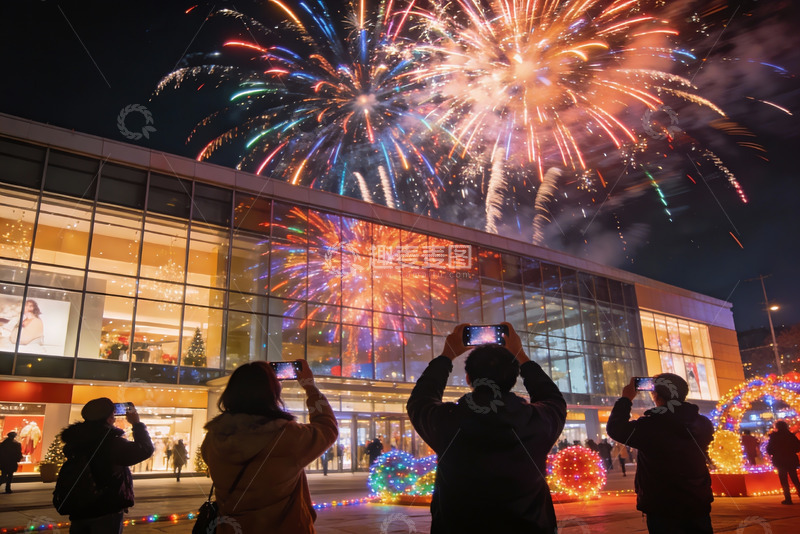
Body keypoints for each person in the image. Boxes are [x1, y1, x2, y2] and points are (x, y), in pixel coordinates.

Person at [407, 323, 566, 533]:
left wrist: (447, 356)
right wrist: (523, 358)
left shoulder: (447, 421)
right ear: (513, 379)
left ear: (468, 379)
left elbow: (420, 400)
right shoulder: (537, 421)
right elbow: (552, 398)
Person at [201, 360, 337, 533]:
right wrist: (311, 388)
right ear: (272, 393)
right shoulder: (287, 436)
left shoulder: (213, 438)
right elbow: (327, 428)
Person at [607, 374, 714, 534]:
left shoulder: (650, 426)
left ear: (656, 395)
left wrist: (626, 399)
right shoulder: (703, 423)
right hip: (698, 499)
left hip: (662, 504)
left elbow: (616, 428)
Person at [60, 397, 154, 533]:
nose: (114, 419)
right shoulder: (111, 443)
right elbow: (145, 449)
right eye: (113, 415)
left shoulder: (76, 442)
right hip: (106, 509)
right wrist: (137, 424)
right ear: (108, 418)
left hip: (79, 508)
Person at [766, 420, 800, 505]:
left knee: (783, 480)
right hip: (791, 459)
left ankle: (788, 499)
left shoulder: (774, 437)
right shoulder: (791, 436)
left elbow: (769, 449)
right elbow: (798, 447)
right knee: (795, 478)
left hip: (780, 460)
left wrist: (774, 453)